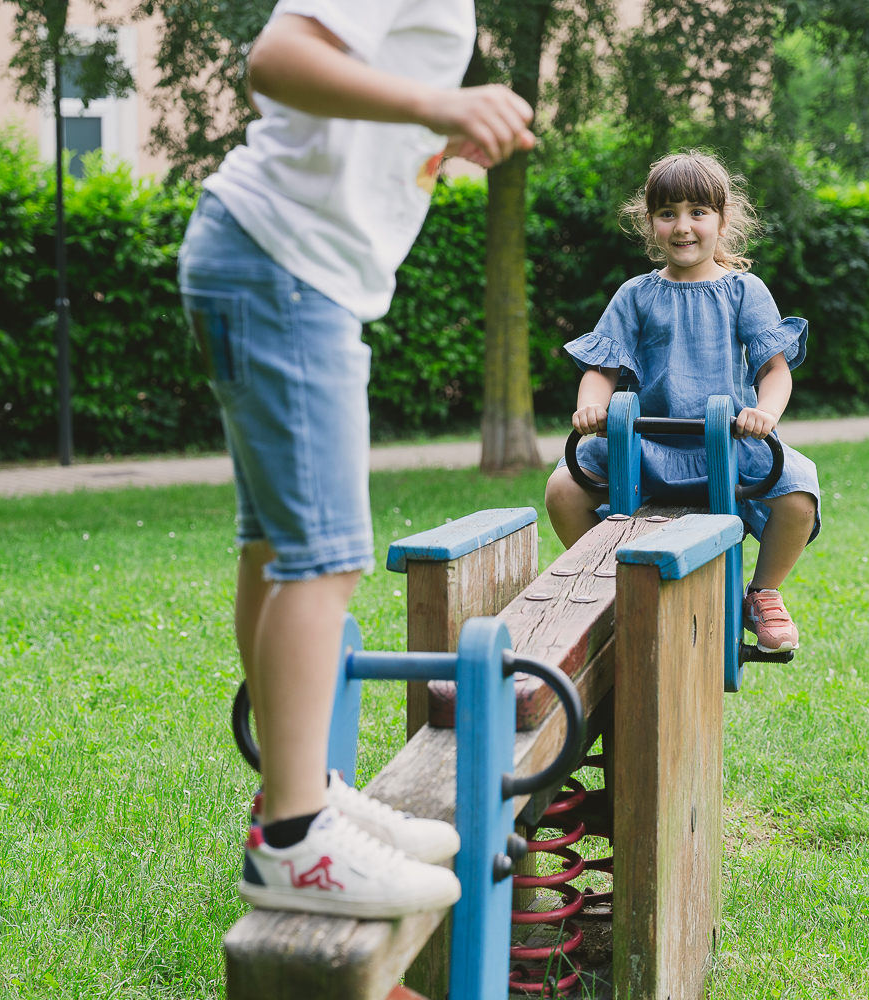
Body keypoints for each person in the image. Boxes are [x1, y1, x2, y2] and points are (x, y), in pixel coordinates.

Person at [177, 1, 536, 918]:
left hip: (273, 261)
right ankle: (297, 840)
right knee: (324, 557)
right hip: (285, 266)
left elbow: (339, 98)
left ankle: (303, 793)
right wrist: (441, 106)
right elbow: (279, 59)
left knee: (274, 548)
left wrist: (428, 130)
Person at [543, 150, 822, 654]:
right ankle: (614, 582)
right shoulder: (635, 294)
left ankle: (763, 592)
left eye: (698, 212)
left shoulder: (743, 290)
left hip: (730, 443)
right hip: (645, 447)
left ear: (723, 219)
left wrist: (765, 414)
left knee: (800, 493)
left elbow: (774, 370)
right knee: (563, 488)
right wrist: (591, 407)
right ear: (649, 222)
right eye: (668, 213)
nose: (683, 226)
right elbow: (601, 369)